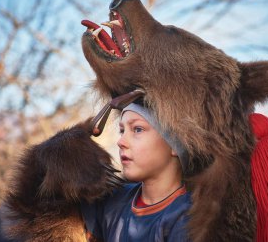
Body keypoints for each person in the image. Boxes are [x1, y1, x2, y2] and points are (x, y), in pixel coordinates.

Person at [81, 102, 192, 242]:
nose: (121, 142)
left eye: (137, 129)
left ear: (175, 144)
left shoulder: (190, 218)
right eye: (122, 130)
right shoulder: (111, 200)